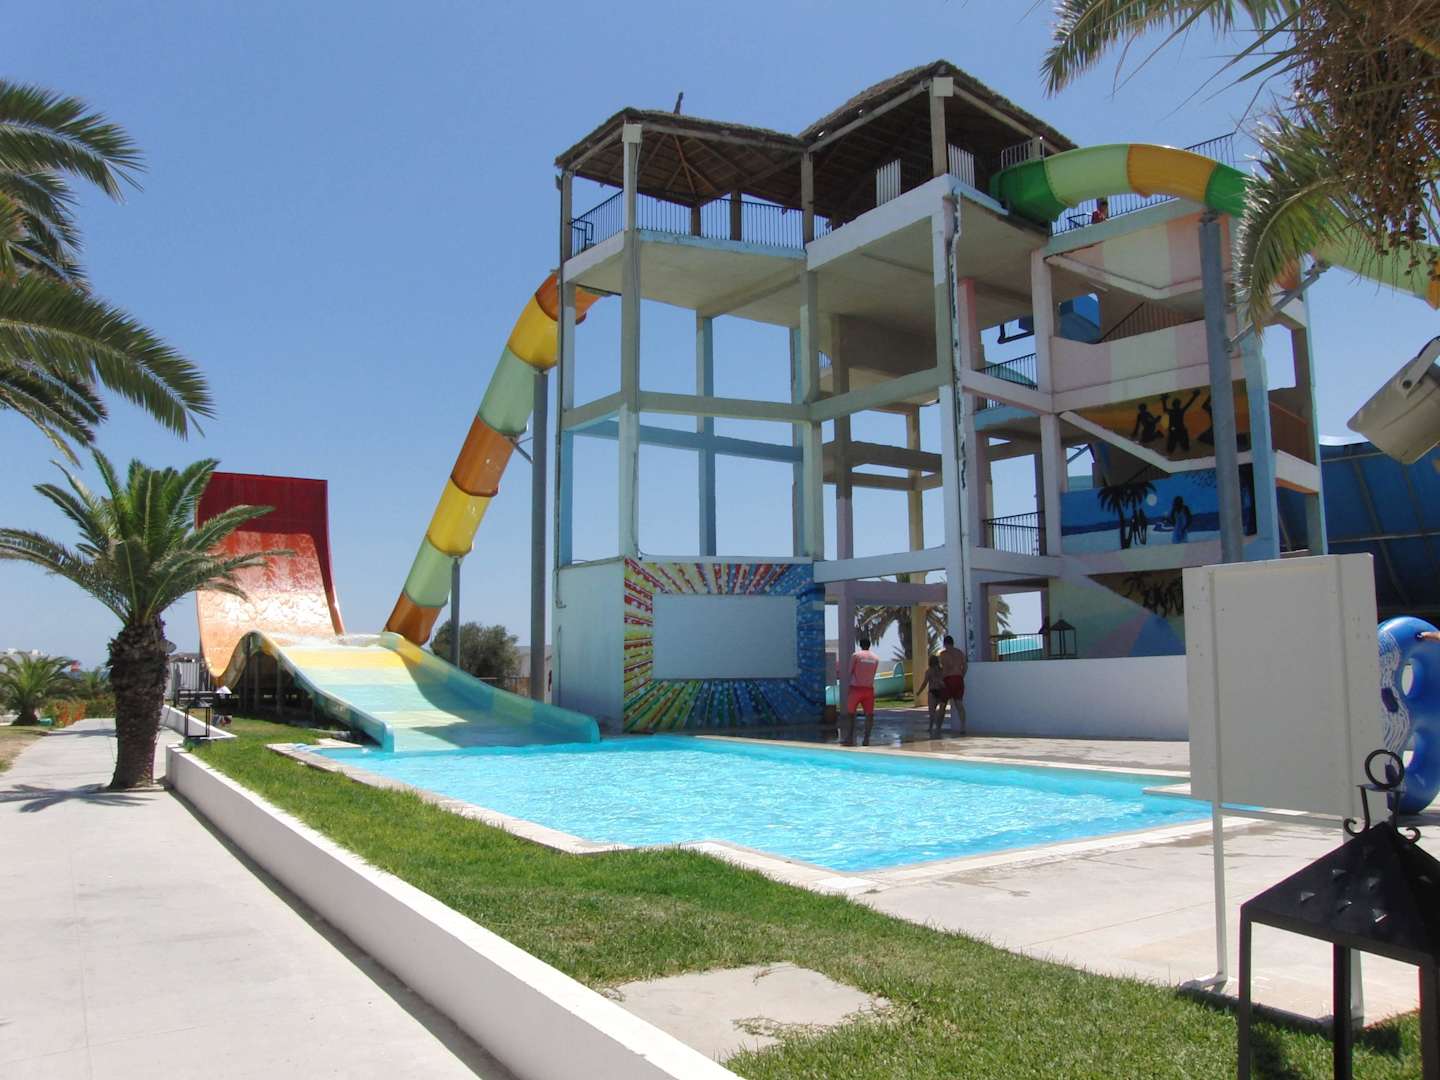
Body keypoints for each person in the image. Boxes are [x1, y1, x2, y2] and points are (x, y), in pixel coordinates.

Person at [844, 635, 881, 746]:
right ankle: (866, 739)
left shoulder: (856, 656)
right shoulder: (876, 658)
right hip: (869, 689)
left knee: (850, 714)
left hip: (856, 688)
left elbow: (850, 671)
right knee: (869, 715)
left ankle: (849, 738)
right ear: (869, 645)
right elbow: (873, 673)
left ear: (860, 645)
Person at [938, 634, 969, 735]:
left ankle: (938, 727)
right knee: (959, 704)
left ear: (945, 644)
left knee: (942, 705)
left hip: (948, 680)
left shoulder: (943, 654)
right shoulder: (960, 653)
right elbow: (965, 666)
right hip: (958, 679)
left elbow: (945, 668)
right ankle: (963, 727)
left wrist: (941, 680)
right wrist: (961, 676)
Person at [1162, 389, 1203, 454]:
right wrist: (1195, 396)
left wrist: (1164, 400)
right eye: (1177, 404)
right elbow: (1189, 403)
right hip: (1178, 429)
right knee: (1178, 445)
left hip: (1177, 429)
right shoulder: (1179, 411)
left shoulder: (1174, 411)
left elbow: (1164, 409)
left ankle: (1178, 449)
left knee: (1175, 445)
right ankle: (1180, 448)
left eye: (1177, 404)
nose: (1177, 405)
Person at [920, 655, 949, 738]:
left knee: (932, 712)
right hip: (941, 691)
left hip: (933, 692)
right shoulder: (942, 671)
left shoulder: (929, 671)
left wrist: (919, 692)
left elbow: (925, 683)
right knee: (941, 711)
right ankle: (937, 727)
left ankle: (931, 727)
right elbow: (945, 682)